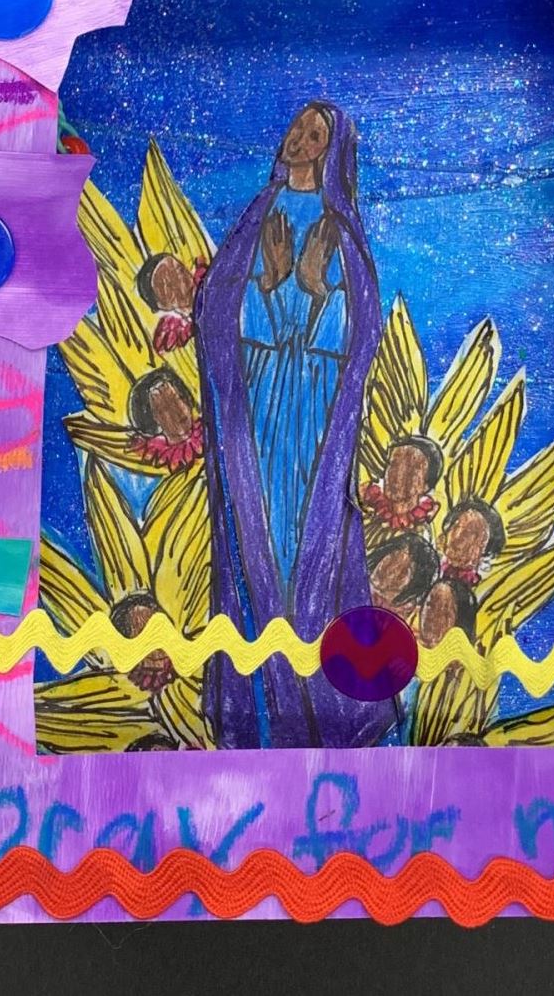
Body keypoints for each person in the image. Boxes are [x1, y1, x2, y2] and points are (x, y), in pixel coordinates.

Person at [196, 101, 391, 749]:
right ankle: (255, 709)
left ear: (333, 153)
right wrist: (274, 285)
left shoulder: (342, 231)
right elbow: (218, 319)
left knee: (313, 553)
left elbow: (352, 339)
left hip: (314, 417)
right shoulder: (257, 219)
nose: (302, 141)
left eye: (317, 135)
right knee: (255, 546)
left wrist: (310, 287)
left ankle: (324, 710)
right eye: (300, 129)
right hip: (255, 412)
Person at [360, 435, 443, 532]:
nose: (397, 476)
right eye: (394, 465)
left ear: (426, 486)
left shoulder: (421, 527)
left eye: (410, 471)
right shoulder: (368, 502)